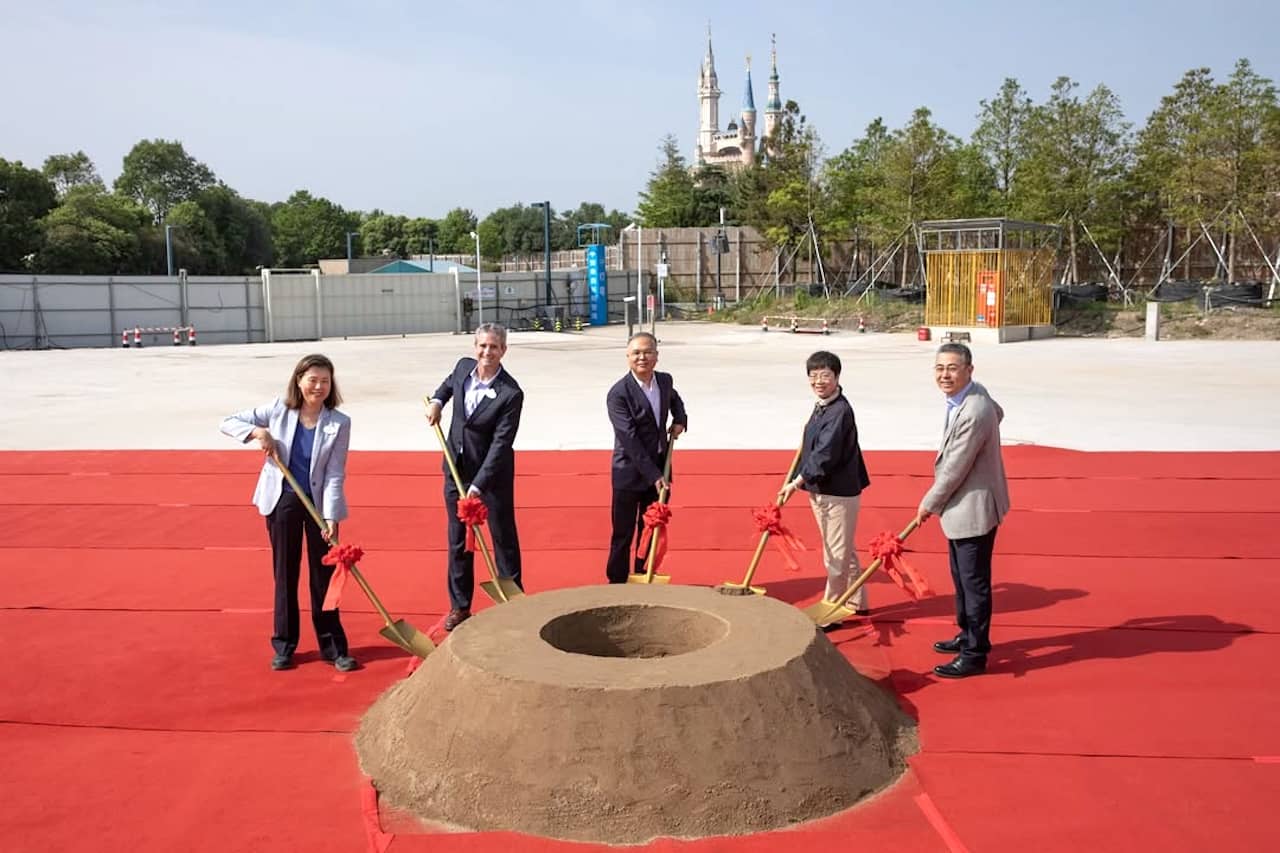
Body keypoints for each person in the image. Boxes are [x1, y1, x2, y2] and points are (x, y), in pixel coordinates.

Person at [220, 354, 357, 673]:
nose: (318, 387)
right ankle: (284, 645)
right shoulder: (278, 409)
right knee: (285, 573)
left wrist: (331, 517)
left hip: (318, 504)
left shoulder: (339, 423)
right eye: (312, 380)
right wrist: (258, 433)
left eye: (325, 381)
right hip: (282, 500)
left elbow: (335, 472)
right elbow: (227, 422)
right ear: (299, 381)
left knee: (324, 576)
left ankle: (333, 647)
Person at [914, 342, 1010, 679]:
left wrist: (928, 504)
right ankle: (966, 634)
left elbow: (954, 467)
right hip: (961, 507)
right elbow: (999, 411)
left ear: (969, 370)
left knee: (974, 583)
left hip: (974, 508)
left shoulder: (974, 410)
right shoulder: (973, 395)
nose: (945, 375)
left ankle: (974, 654)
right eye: (940, 368)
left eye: (953, 368)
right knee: (961, 576)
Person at [425, 323, 524, 629]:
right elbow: (447, 386)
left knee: (502, 538)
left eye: (494, 347)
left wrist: (479, 485)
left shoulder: (510, 393)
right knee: (458, 541)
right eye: (482, 346)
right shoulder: (463, 368)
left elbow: (500, 444)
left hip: (491, 477)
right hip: (456, 469)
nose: (487, 352)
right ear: (475, 347)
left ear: (503, 350)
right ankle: (460, 606)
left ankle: (512, 603)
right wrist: (437, 403)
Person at [778, 351, 872, 615]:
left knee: (835, 555)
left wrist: (797, 482)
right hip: (821, 488)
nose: (818, 381)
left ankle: (831, 609)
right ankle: (857, 601)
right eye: (813, 375)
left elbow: (824, 454)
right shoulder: (822, 406)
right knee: (842, 548)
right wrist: (796, 479)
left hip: (838, 492)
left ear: (837, 377)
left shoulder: (840, 411)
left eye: (825, 375)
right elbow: (809, 447)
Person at [605, 332, 688, 583]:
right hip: (629, 472)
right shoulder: (618, 394)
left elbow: (675, 400)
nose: (642, 357)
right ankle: (617, 581)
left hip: (660, 468)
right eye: (636, 353)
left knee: (652, 527)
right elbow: (629, 440)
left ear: (656, 356)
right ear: (628, 357)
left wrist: (680, 419)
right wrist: (654, 475)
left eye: (647, 352)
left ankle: (643, 574)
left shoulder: (664, 381)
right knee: (623, 532)